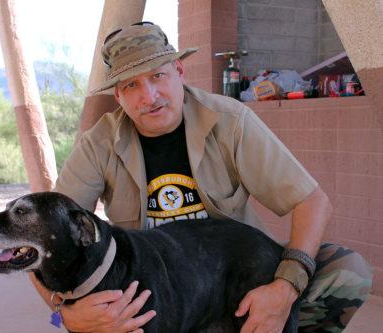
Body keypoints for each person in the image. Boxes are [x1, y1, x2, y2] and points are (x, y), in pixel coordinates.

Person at [30, 22, 373, 333]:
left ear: (179, 70)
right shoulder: (98, 143)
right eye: (131, 85)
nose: (148, 96)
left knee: (347, 271)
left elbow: (312, 202)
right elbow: (47, 235)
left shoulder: (230, 120)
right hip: (159, 294)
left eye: (157, 76)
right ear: (118, 96)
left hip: (236, 278)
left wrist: (284, 289)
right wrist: (64, 313)